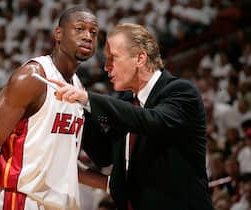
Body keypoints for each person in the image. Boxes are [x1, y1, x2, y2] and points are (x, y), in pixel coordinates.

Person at [51, 23, 214, 210]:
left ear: (140, 58)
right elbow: (104, 156)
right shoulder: (127, 103)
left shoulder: (181, 92)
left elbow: (152, 121)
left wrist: (88, 99)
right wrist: (79, 108)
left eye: (113, 59)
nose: (106, 67)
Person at [0, 5, 99, 210]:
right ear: (58, 34)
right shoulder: (32, 77)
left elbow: (64, 165)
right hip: (21, 201)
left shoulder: (78, 88)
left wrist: (110, 183)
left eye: (93, 32)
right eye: (79, 29)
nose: (88, 36)